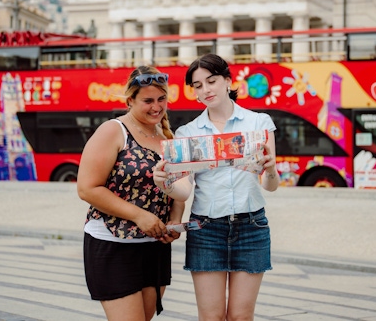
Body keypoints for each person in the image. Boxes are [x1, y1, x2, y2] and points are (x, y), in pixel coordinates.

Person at [153, 53, 279, 320]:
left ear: (227, 80)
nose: (205, 90)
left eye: (211, 81)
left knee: (240, 317)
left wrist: (270, 169)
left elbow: (270, 186)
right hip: (206, 230)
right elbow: (185, 191)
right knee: (211, 317)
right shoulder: (188, 133)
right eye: (198, 86)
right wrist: (165, 183)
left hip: (251, 227)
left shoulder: (259, 123)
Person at [76, 66, 185, 321]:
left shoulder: (166, 136)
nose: (156, 107)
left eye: (161, 99)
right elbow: (87, 188)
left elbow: (177, 188)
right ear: (130, 101)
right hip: (113, 244)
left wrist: (175, 219)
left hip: (154, 246)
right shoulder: (113, 131)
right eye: (147, 101)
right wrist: (139, 216)